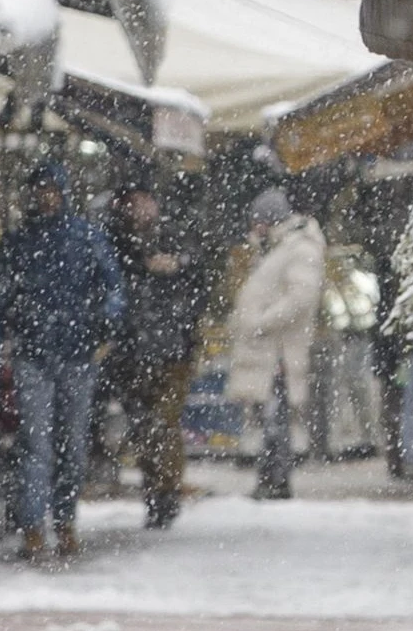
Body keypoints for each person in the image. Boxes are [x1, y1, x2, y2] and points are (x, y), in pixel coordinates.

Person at [0, 159, 125, 560]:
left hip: (74, 353)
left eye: (52, 190)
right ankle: (35, 524)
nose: (46, 197)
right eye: (40, 190)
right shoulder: (22, 243)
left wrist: (106, 320)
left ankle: (61, 520)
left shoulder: (82, 238)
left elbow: (113, 287)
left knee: (70, 443)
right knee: (38, 443)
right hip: (40, 354)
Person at [106, 176, 214, 529]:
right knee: (143, 425)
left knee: (161, 423)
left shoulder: (174, 236)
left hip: (171, 348)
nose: (139, 210)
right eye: (132, 203)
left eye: (142, 201)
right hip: (134, 349)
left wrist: (177, 266)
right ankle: (157, 489)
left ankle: (164, 491)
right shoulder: (116, 241)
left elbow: (199, 278)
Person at [222, 187, 327, 500]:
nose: (254, 228)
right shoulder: (280, 246)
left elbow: (300, 297)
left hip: (278, 348)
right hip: (271, 348)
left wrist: (261, 322)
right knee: (271, 415)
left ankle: (275, 479)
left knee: (275, 416)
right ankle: (271, 476)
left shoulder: (297, 247)